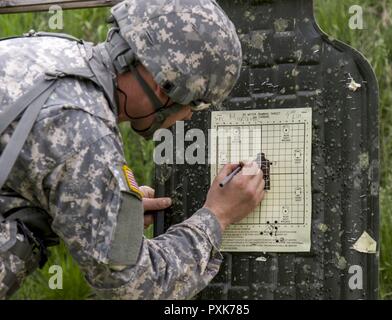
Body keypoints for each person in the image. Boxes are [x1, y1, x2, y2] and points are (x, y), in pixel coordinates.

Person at [0, 0, 265, 299]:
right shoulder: (86, 135)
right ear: (162, 86)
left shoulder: (51, 53)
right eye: (194, 101)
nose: (190, 115)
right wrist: (217, 216)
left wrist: (110, 212)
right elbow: (134, 288)